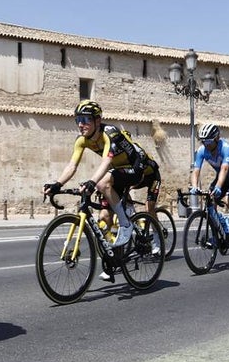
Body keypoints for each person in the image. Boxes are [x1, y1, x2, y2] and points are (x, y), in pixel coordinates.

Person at [42, 99, 160, 259]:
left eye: (85, 120)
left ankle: (128, 226)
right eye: (78, 120)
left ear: (98, 120)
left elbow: (106, 161)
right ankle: (113, 262)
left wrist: (92, 182)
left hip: (139, 168)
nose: (80, 124)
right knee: (105, 215)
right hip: (120, 170)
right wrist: (57, 184)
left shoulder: (110, 133)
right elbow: (71, 167)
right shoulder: (82, 140)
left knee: (103, 183)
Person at [190, 123, 229, 246]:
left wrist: (218, 187)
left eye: (209, 142)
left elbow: (224, 169)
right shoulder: (202, 151)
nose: (206, 145)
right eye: (203, 142)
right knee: (210, 201)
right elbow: (196, 170)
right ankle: (220, 230)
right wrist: (195, 186)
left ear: (217, 138)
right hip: (223, 177)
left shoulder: (226, 147)